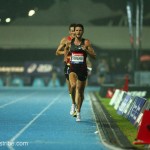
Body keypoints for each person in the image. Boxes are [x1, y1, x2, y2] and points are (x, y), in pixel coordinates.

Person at [65, 24, 96, 121]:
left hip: (82, 69)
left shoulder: (86, 42)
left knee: (81, 92)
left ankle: (78, 112)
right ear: (74, 32)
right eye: (76, 30)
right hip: (73, 69)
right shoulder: (70, 42)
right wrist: (67, 59)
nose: (78, 32)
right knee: (73, 86)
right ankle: (73, 104)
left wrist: (86, 50)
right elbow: (66, 51)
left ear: (82, 31)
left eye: (80, 30)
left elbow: (94, 56)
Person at [56, 23, 76, 116]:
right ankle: (73, 104)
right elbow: (57, 52)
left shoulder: (80, 41)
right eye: (71, 31)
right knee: (71, 88)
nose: (73, 33)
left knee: (77, 86)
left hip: (78, 65)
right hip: (68, 65)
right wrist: (66, 51)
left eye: (75, 31)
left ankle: (76, 105)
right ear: (69, 31)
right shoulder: (65, 40)